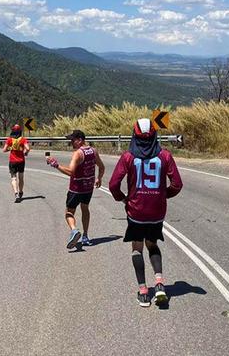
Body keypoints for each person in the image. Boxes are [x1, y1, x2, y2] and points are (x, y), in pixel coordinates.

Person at [108, 118, 183, 308]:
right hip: (156, 212)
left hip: (136, 211)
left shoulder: (128, 157)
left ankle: (143, 291)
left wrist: (122, 198)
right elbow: (177, 184)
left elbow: (113, 185)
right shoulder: (165, 156)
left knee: (137, 248)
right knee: (153, 245)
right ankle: (159, 283)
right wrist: (162, 195)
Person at [46, 130, 104, 249]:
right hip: (88, 188)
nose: (71, 142)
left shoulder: (77, 154)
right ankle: (86, 236)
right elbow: (101, 166)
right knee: (85, 208)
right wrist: (99, 178)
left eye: (72, 140)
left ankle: (74, 230)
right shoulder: (93, 151)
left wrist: (56, 165)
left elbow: (71, 172)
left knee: (68, 213)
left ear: (80, 140)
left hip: (76, 189)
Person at [2, 124, 30, 203]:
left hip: (12, 161)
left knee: (13, 178)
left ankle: (16, 193)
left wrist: (10, 148)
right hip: (21, 161)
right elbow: (28, 148)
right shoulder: (23, 139)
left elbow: (4, 150)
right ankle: (21, 191)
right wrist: (25, 153)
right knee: (21, 177)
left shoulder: (9, 139)